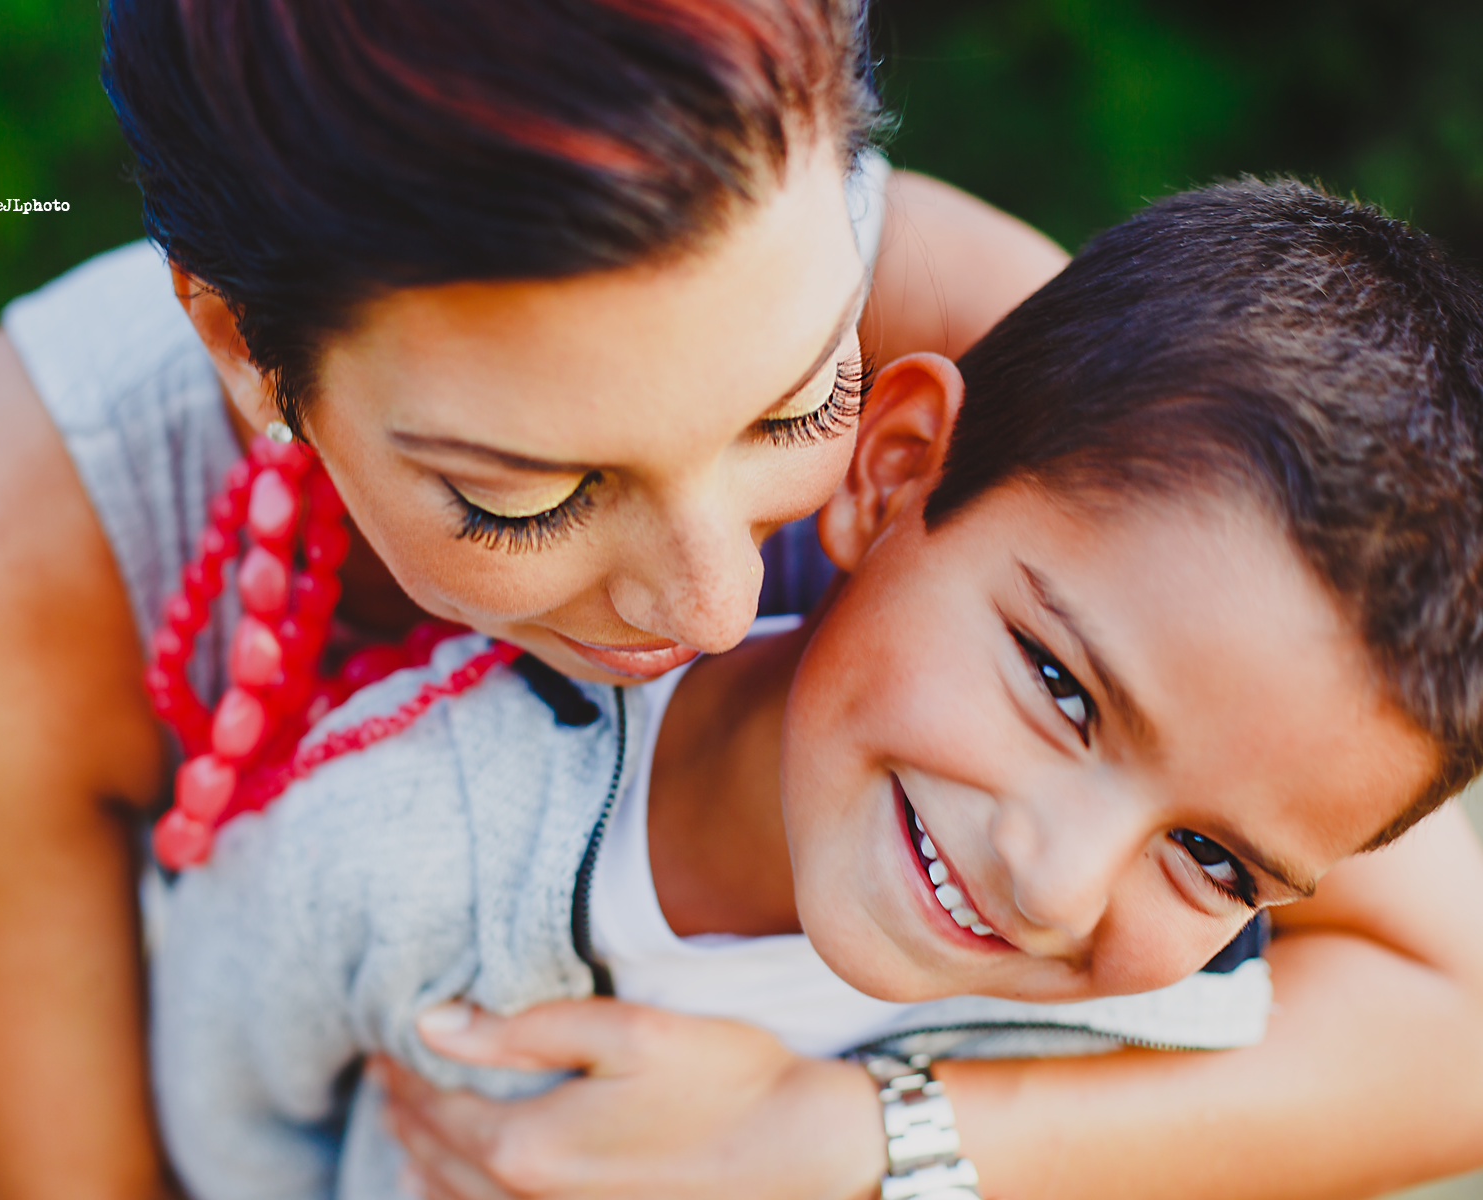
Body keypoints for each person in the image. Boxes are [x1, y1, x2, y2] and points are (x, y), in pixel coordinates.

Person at [0, 1, 1483, 1198]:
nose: (710, 609)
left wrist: (861, 1142)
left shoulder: (1026, 373)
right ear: (238, 342)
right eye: (524, 493)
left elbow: (1451, 1023)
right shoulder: (1, 556)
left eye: (792, 409)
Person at [147, 179, 1483, 1200]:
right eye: (1064, 690)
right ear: (896, 469)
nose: (1058, 887)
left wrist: (867, 1145)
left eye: (1210, 856)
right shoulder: (395, 844)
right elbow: (221, 1130)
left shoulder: (1174, 1023)